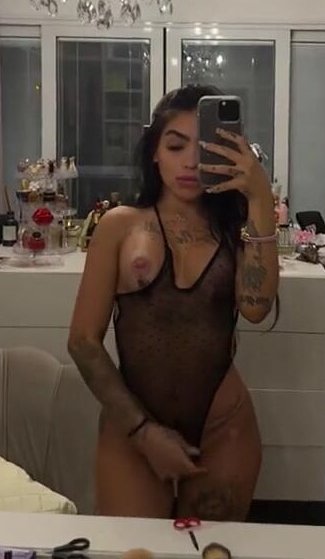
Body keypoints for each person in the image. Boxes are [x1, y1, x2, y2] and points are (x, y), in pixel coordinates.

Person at [67, 85, 281, 520]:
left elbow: (256, 308)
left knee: (212, 558)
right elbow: (83, 342)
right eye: (175, 146)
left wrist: (260, 197)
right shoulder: (119, 226)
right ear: (154, 152)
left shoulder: (234, 229)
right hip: (133, 427)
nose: (190, 163)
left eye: (204, 150)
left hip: (224, 428)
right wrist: (144, 434)